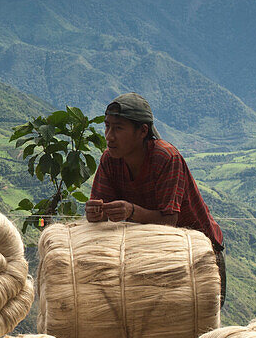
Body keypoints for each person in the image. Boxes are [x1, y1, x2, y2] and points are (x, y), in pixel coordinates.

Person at [86, 92, 226, 304]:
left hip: (198, 252)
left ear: (142, 131)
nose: (109, 136)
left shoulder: (166, 158)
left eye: (118, 128)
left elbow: (169, 221)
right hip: (152, 249)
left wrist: (131, 211)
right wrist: (95, 213)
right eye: (107, 126)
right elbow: (101, 215)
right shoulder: (110, 160)